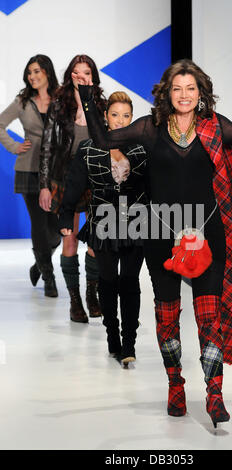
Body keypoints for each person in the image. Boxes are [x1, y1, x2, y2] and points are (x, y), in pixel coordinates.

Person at [76, 60, 232, 427]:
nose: (185, 95)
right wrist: (86, 92)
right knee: (167, 317)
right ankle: (176, 384)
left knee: (210, 319)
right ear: (166, 93)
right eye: (178, 88)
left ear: (201, 92)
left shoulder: (215, 127)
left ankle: (215, 394)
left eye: (191, 88)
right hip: (160, 235)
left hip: (207, 234)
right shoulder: (150, 127)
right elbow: (103, 139)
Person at [58, 91, 149, 365]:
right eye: (115, 115)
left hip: (136, 223)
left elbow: (156, 184)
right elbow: (74, 185)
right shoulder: (88, 148)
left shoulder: (143, 147)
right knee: (108, 282)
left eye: (126, 116)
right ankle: (113, 336)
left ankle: (129, 343)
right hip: (102, 224)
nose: (121, 121)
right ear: (105, 117)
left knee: (130, 283)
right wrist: (65, 216)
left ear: (132, 118)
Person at [39, 54, 107, 323]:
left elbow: (110, 140)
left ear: (93, 76)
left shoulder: (101, 104)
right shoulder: (59, 106)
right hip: (65, 179)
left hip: (96, 180)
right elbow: (47, 146)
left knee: (95, 240)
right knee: (69, 237)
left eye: (86, 73)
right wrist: (44, 185)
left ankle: (92, 294)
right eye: (76, 73)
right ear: (70, 77)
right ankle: (75, 302)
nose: (81, 77)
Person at [0, 54, 60, 297]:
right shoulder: (22, 101)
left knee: (56, 228)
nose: (32, 76)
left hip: (56, 170)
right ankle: (49, 276)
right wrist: (14, 147)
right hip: (28, 168)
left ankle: (39, 264)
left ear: (47, 72)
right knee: (38, 222)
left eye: (37, 71)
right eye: (29, 73)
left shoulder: (61, 99)